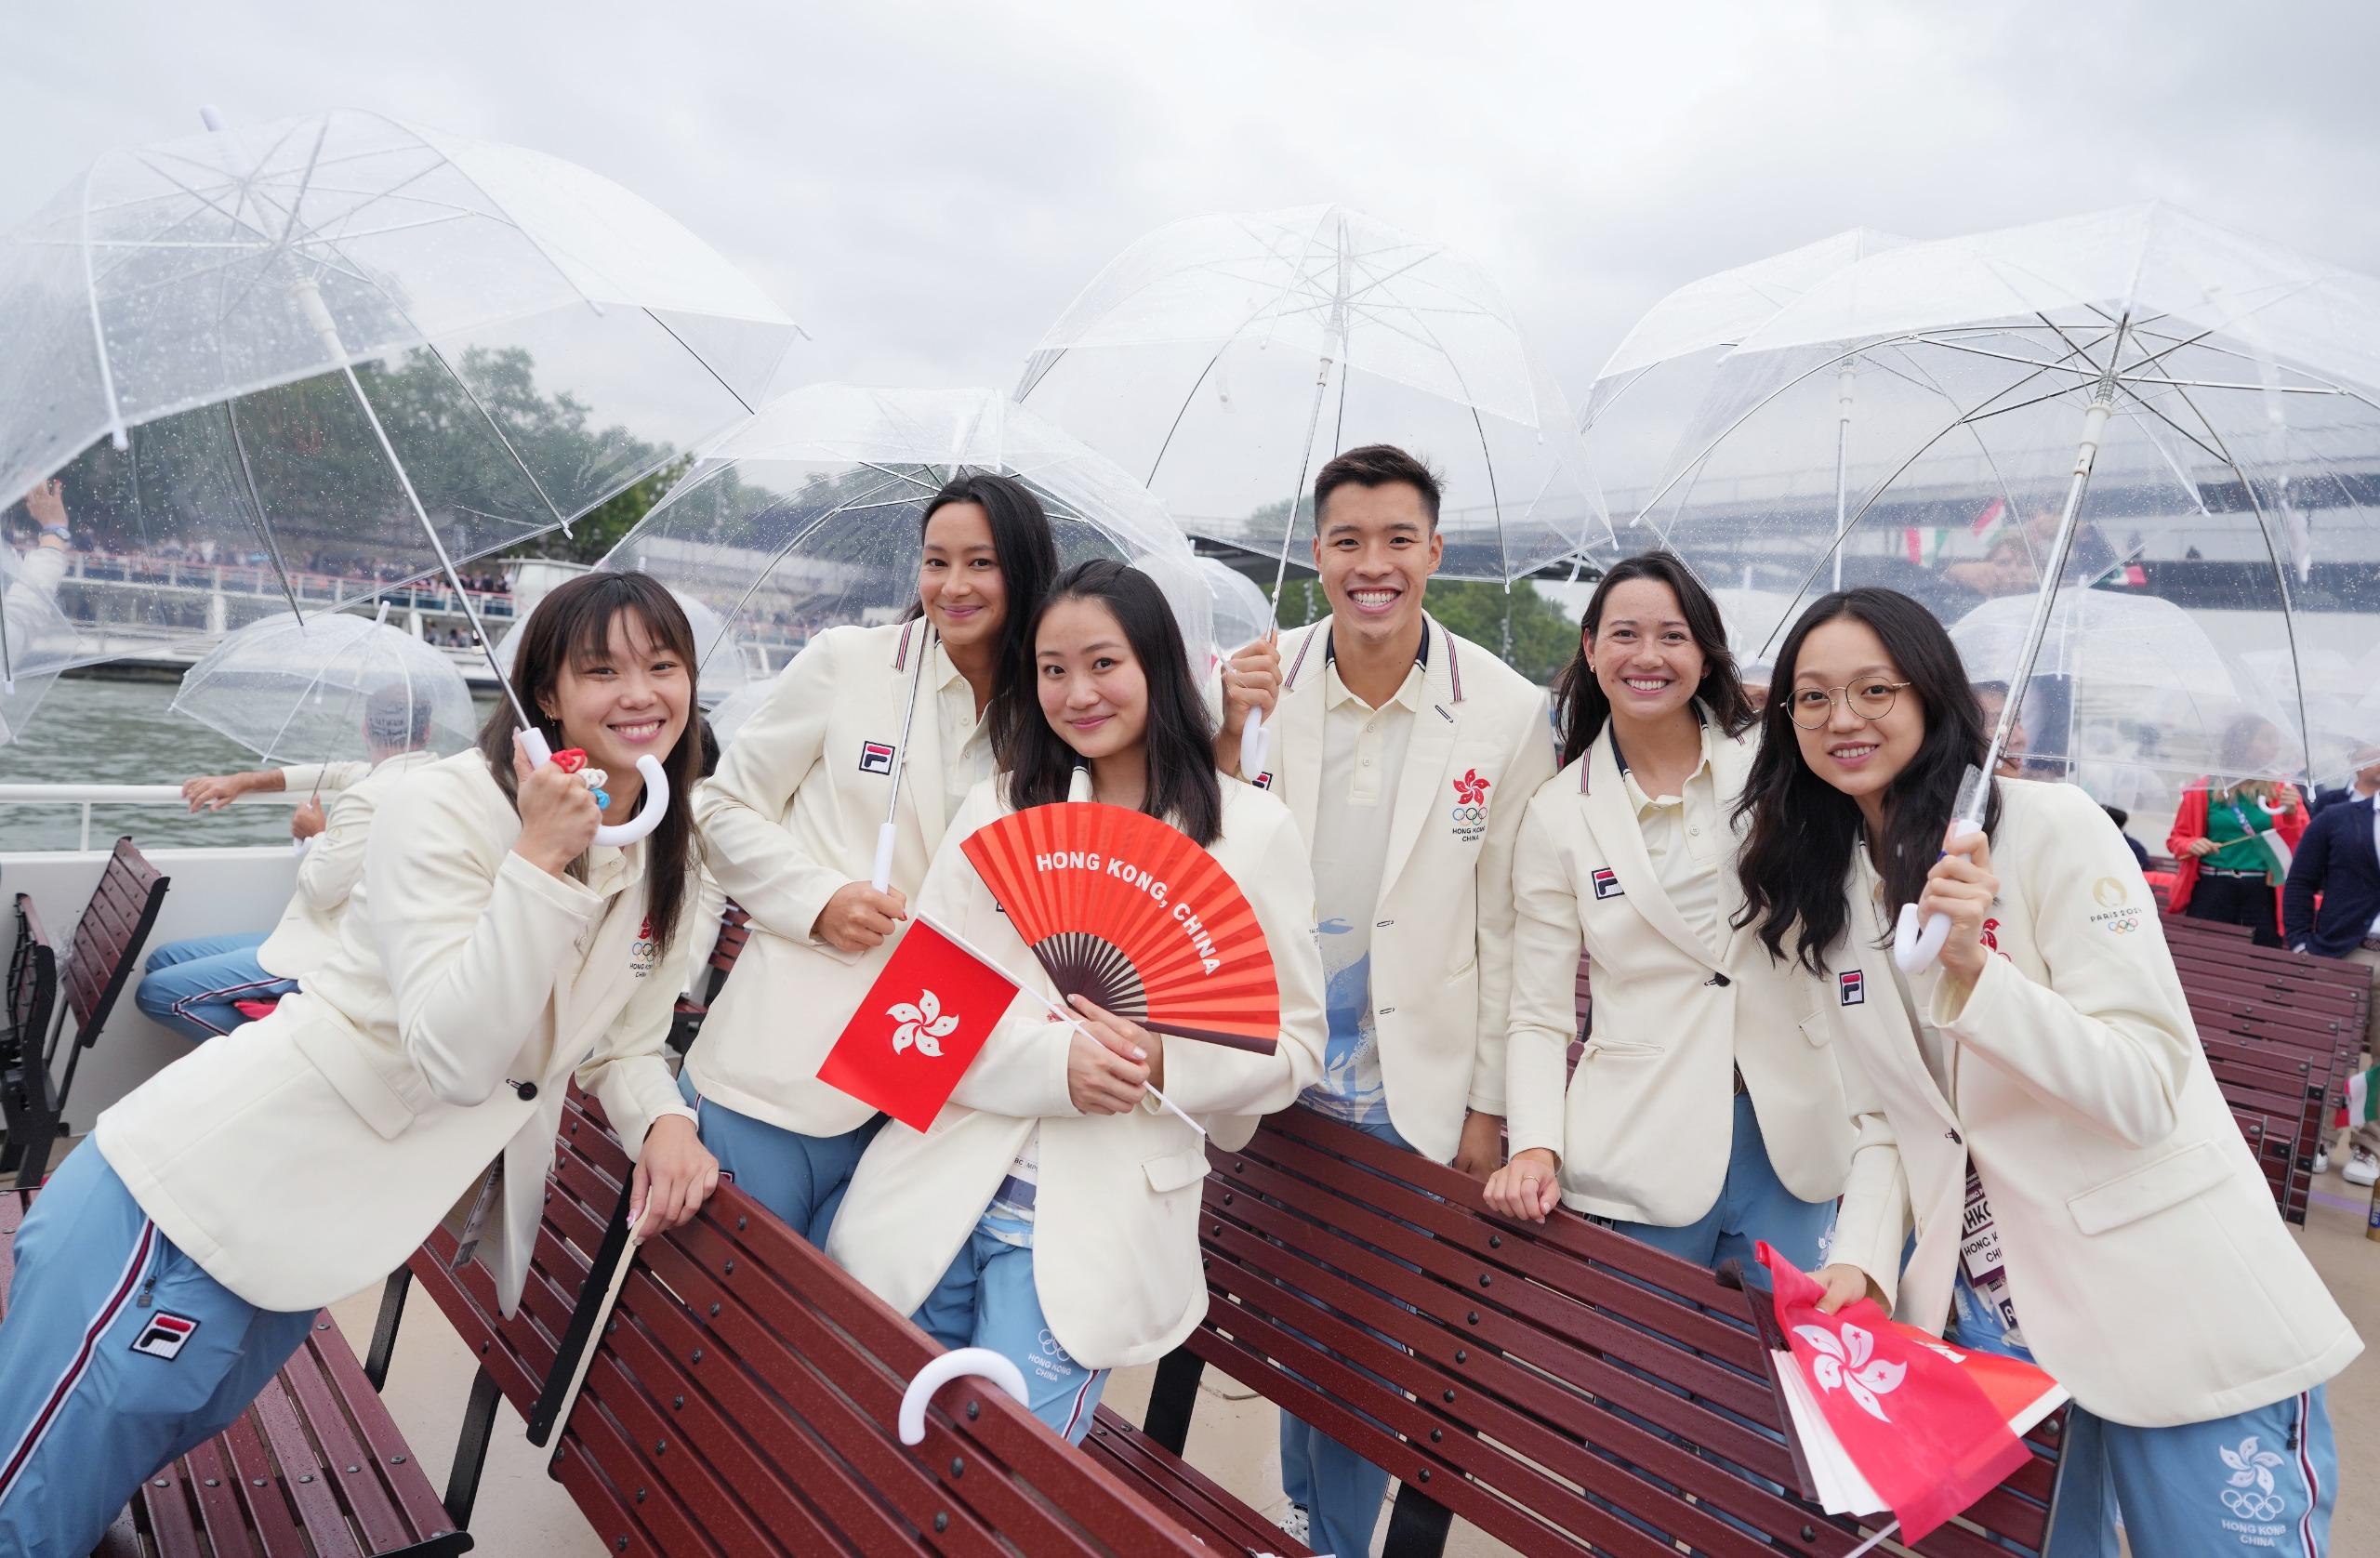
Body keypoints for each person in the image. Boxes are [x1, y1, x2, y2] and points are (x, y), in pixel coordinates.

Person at [0, 571, 720, 1556]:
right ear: (546, 695)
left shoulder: (670, 852)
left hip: (321, 1234)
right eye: (602, 670)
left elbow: (624, 1037)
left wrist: (664, 1117)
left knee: (157, 1432)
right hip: (193, 1198)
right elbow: (455, 1054)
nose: (639, 693)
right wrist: (536, 863)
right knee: (37, 1495)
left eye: (663, 665)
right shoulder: (445, 806)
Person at [1737, 587, 2358, 1558]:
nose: (1841, 717)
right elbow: (1890, 1121)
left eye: (1873, 689)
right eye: (1811, 697)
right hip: (1997, 1327)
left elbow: (2143, 1086)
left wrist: (1979, 976)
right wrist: (1860, 1260)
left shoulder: (2051, 826)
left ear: (1930, 694)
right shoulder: (1838, 888)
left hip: (2167, 1303)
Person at [826, 560, 1326, 1441]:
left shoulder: (1250, 833)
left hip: (1095, 1234)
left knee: (1007, 1482)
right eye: (1052, 669)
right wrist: (1056, 1065)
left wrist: (1163, 1059)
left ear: (1158, 666)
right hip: (933, 1196)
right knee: (876, 1457)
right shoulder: (997, 811)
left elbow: (1295, 1047)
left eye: (1103, 663)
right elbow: (911, 1023)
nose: (1077, 693)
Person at [1216, 444, 1554, 1557]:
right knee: (1288, 1308)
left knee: (1369, 1333)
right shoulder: (1254, 680)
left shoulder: (1505, 709)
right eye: (1348, 541)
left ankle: (1332, 1533)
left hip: (1410, 1077)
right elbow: (1193, 849)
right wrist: (1220, 735)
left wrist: (1489, 1105)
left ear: (1433, 551)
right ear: (1317, 553)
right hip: (1267, 1053)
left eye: (1398, 539)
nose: (1374, 565)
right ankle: (1307, 1513)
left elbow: (1510, 922)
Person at [686, 472, 1063, 1247]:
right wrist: (819, 899)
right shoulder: (847, 662)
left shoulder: (1053, 713)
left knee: (844, 1317)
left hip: (931, 1087)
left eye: (981, 563)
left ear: (1025, 569)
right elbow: (719, 809)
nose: (953, 585)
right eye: (936, 561)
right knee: (726, 1299)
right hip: (782, 1071)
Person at [1486, 554, 1884, 1280]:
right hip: (1640, 1146)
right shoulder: (1556, 814)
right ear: (1590, 648)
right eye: (1625, 635)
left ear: (1705, 654)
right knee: (1634, 1354)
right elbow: (1538, 1011)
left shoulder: (1776, 761)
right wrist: (1536, 1145)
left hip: (1792, 1135)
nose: (1648, 656)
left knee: (1785, 1350)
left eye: (1673, 636)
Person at [131, 684, 439, 1041]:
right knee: (164, 959)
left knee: (157, 994)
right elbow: (337, 772)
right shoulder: (430, 777)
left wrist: (315, 835)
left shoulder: (366, 797)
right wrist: (244, 781)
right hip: (352, 939)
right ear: (427, 731)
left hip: (328, 949)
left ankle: (282, 1049)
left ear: (365, 728)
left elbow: (321, 892)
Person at [2284, 742, 2380, 1188]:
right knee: (2333, 1052)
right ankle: (2320, 1138)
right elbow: (2301, 880)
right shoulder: (2338, 816)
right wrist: (2301, 943)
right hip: (2343, 950)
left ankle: (2369, 1143)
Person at [2165, 716, 2306, 948]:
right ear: (2243, 742)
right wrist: (2192, 844)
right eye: (2267, 738)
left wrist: (2291, 814)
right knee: (2203, 954)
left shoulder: (2283, 790)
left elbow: (2301, 844)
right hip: (2212, 885)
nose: (2276, 746)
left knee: (2261, 956)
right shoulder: (2203, 788)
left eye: (2276, 739)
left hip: (2262, 890)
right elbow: (2176, 840)